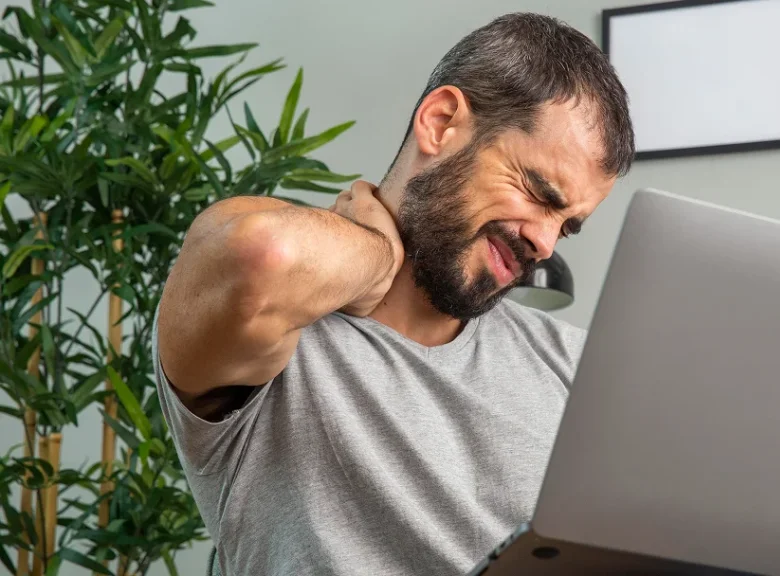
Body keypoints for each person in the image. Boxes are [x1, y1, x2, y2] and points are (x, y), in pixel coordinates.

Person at [154, 12, 635, 576]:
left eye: (567, 225)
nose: (546, 243)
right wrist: (379, 251)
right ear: (440, 122)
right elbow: (262, 256)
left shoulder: (571, 365)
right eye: (537, 192)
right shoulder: (282, 336)